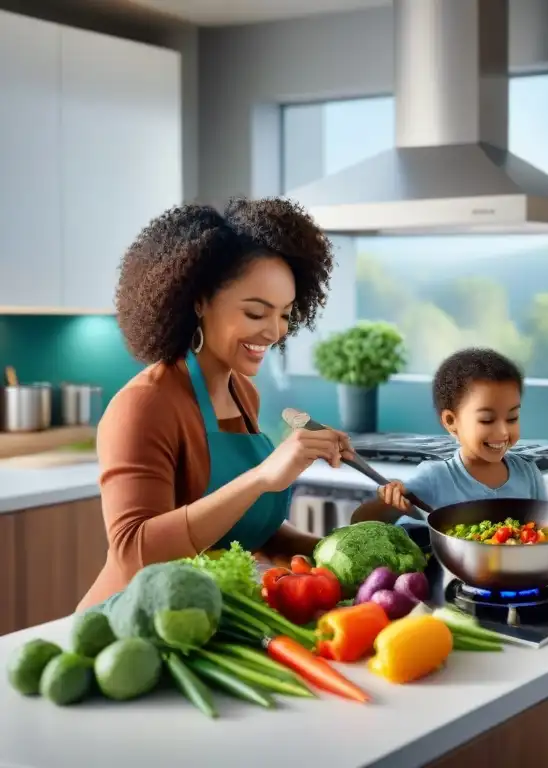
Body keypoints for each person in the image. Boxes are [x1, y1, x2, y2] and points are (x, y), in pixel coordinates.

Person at [78, 198, 354, 611]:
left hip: (199, 620)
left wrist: (342, 555)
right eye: (256, 312)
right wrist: (262, 477)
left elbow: (241, 532)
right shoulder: (144, 407)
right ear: (199, 301)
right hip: (128, 628)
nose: (274, 331)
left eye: (284, 314)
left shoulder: (243, 393)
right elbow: (134, 552)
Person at [355, 348, 548, 522]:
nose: (503, 432)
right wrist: (387, 500)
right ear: (450, 421)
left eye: (512, 418)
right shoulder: (435, 477)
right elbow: (362, 520)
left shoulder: (528, 473)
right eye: (487, 420)